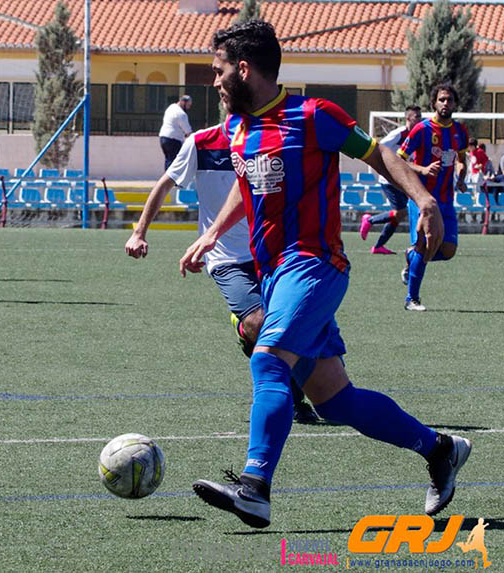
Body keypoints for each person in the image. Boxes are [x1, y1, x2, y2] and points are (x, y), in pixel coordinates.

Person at [179, 20, 471, 529]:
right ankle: (440, 448)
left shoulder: (313, 115)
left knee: (268, 361)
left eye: (219, 70)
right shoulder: (238, 128)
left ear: (244, 69)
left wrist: (425, 200)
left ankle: (254, 487)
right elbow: (247, 188)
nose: (215, 80)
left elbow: (379, 151)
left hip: (314, 264)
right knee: (335, 400)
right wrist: (212, 233)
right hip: (275, 275)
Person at [125, 123, 319, 423]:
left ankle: (301, 389)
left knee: (300, 327)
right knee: (260, 323)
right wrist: (139, 232)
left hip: (274, 252)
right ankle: (290, 395)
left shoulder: (270, 140)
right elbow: (165, 183)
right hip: (227, 257)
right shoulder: (201, 143)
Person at [397, 82, 469, 311]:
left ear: (455, 103)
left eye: (449, 100)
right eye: (442, 99)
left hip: (446, 199)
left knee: (448, 250)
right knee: (425, 243)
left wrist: (460, 175)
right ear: (434, 103)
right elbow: (400, 160)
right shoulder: (422, 129)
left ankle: (412, 256)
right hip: (422, 198)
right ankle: (412, 299)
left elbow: (460, 159)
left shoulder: (460, 131)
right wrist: (423, 170)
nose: (446, 103)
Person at [359, 106, 422, 254]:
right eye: (416, 117)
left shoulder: (417, 135)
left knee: (400, 213)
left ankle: (379, 246)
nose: (419, 120)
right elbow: (379, 147)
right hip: (389, 178)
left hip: (401, 178)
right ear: (408, 118)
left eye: (420, 117)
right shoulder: (399, 133)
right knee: (401, 211)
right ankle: (369, 221)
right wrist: (386, 167)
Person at [158, 95, 193, 170]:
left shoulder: (171, 107)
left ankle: (167, 179)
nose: (189, 108)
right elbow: (188, 131)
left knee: (168, 160)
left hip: (163, 138)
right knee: (174, 162)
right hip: (173, 140)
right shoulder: (181, 114)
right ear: (183, 102)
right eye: (188, 105)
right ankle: (171, 181)